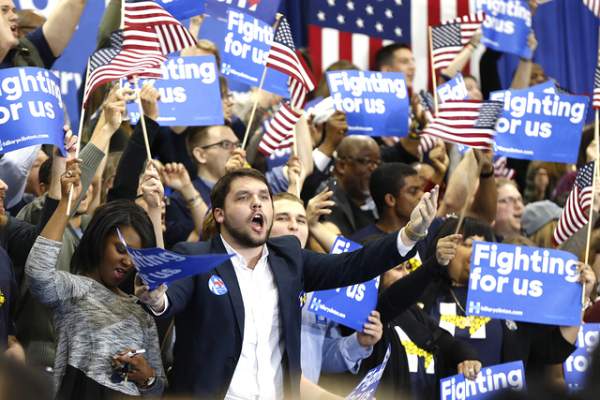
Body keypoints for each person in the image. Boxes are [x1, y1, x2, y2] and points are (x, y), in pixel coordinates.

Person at [136, 168, 439, 398]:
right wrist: (156, 298)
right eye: (244, 198)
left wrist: (409, 234)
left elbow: (353, 265)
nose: (257, 204)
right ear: (219, 214)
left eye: (264, 197)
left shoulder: (289, 258)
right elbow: (168, 298)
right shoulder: (194, 255)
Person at [25, 160, 166, 398]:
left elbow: (158, 389)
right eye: (121, 250)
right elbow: (38, 274)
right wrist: (64, 205)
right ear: (99, 241)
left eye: (135, 255)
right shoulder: (75, 289)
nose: (128, 261)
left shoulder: (141, 314)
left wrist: (147, 378)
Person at [420, 217, 594, 381]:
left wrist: (581, 295)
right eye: (469, 244)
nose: (478, 253)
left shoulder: (510, 296)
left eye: (486, 247)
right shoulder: (423, 294)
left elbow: (553, 349)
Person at [269, 192, 382, 384]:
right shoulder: (249, 277)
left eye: (302, 220)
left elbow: (320, 357)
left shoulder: (321, 288)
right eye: (282, 218)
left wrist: (358, 342)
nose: (294, 226)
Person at [164, 124, 241, 247]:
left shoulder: (248, 190)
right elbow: (205, 243)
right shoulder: (179, 200)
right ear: (201, 155)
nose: (237, 151)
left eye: (238, 145)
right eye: (226, 144)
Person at [321, 136, 381, 237]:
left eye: (376, 163)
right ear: (341, 166)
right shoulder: (326, 200)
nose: (373, 168)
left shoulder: (378, 197)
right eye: (366, 161)